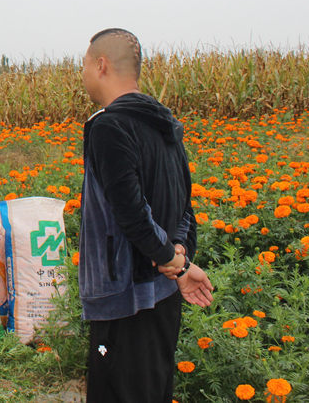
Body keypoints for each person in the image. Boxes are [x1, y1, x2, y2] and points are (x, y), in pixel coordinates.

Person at [79, 28, 213, 402]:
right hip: (164, 293)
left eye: (84, 65)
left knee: (116, 391)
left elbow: (132, 212)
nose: (83, 73)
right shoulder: (164, 123)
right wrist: (180, 260)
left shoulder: (109, 125)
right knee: (152, 389)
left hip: (124, 298)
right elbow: (185, 205)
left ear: (101, 65)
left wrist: (174, 262)